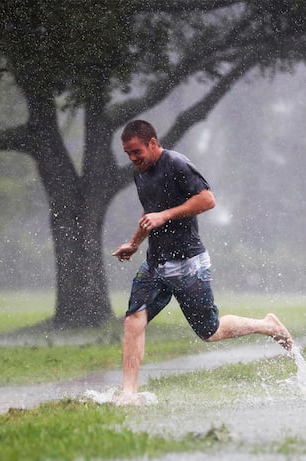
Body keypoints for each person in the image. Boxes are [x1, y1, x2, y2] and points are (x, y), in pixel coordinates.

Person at [112, 119, 293, 403]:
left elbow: (207, 200)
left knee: (210, 332)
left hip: (189, 265)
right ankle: (128, 394)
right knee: (134, 320)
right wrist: (133, 244)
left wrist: (166, 215)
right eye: (128, 154)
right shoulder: (141, 174)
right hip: (155, 264)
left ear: (153, 143)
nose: (133, 159)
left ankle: (268, 325)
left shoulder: (176, 164)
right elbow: (151, 214)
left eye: (136, 152)